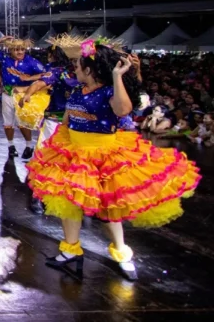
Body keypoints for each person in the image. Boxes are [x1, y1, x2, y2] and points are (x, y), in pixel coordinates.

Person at [26, 38, 200, 281]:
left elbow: (122, 110)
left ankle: (121, 253)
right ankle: (70, 250)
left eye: (79, 64)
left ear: (91, 70)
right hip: (73, 151)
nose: (75, 67)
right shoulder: (77, 90)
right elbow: (67, 118)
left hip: (105, 156)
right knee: (68, 203)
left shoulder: (109, 91)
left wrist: (118, 77)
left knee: (109, 209)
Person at [20, 35, 81, 214]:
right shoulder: (58, 71)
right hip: (55, 120)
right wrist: (28, 94)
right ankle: (38, 195)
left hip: (78, 124)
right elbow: (40, 82)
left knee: (75, 160)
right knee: (45, 157)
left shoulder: (89, 74)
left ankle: (75, 194)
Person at [0, 36, 49, 159]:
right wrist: (0, 40)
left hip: (22, 95)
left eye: (22, 49)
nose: (20, 52)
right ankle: (11, 146)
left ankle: (29, 146)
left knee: (23, 122)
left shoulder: (31, 61)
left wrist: (30, 78)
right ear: (10, 50)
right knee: (8, 123)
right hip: (7, 94)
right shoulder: (5, 59)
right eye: (16, 50)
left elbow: (46, 74)